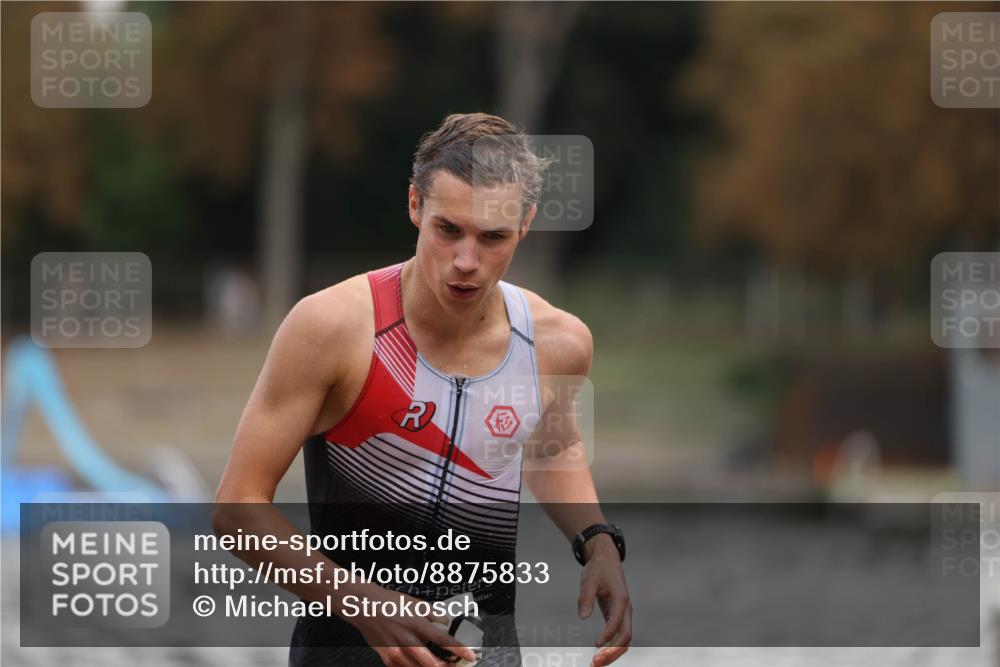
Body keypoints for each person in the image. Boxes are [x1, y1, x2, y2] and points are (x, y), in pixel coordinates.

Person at [214, 113, 632, 667]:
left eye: (493, 238)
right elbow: (237, 509)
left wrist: (596, 541)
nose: (467, 262)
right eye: (448, 229)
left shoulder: (557, 342)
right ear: (415, 206)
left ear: (526, 223)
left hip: (486, 650)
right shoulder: (333, 329)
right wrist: (365, 605)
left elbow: (550, 449)